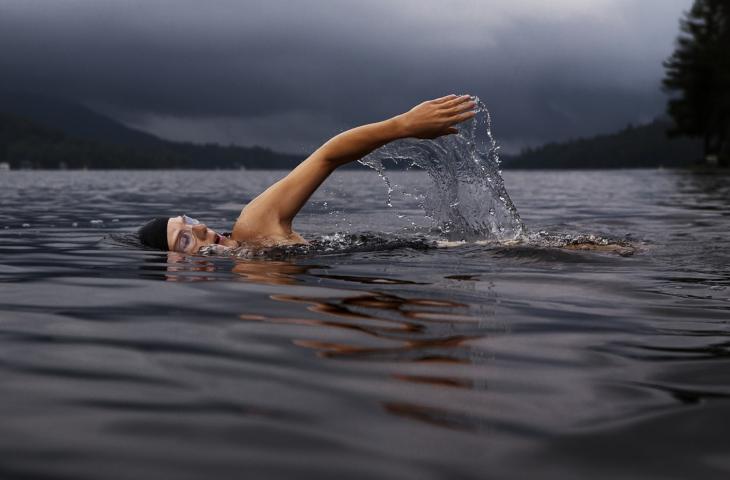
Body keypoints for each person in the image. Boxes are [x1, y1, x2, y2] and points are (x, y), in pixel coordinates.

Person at [138, 94, 476, 253]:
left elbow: (326, 157)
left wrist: (402, 125)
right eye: (183, 239)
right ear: (176, 268)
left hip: (450, 253)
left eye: (189, 220)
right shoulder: (248, 274)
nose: (199, 228)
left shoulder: (253, 228)